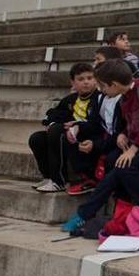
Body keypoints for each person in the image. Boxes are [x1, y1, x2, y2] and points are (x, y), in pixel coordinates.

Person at [61, 59, 139, 232]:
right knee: (119, 166)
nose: (101, 90)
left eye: (103, 86)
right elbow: (129, 123)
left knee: (123, 167)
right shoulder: (124, 97)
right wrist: (123, 133)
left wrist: (133, 150)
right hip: (138, 143)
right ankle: (88, 214)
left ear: (114, 84)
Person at [29, 63, 100, 194]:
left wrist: (78, 125)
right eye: (81, 79)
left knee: (57, 132)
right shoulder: (71, 99)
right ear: (73, 82)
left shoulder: (100, 98)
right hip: (70, 136)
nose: (86, 82)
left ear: (95, 79)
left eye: (90, 78)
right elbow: (53, 113)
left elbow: (98, 125)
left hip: (89, 137)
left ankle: (59, 181)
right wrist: (49, 123)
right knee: (37, 138)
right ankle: (49, 176)